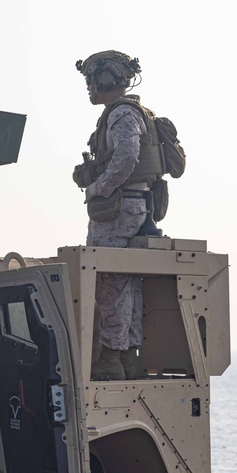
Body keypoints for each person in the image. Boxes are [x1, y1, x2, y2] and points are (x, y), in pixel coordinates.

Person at [74, 50, 160, 380]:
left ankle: (111, 359)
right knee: (127, 286)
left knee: (112, 286)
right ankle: (124, 358)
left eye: (92, 80)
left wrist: (100, 187)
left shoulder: (122, 114)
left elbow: (126, 156)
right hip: (133, 208)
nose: (89, 88)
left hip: (119, 211)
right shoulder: (132, 112)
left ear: (107, 78)